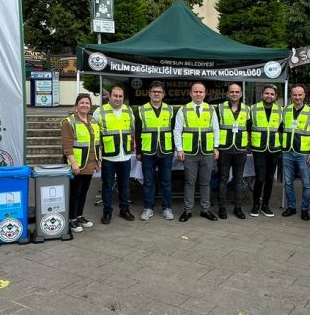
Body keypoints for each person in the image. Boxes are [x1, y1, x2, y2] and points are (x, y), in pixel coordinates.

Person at [173, 81, 220, 222]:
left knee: (205, 182)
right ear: (190, 93)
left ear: (205, 94)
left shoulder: (211, 109)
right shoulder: (183, 110)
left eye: (201, 92)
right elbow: (177, 130)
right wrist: (179, 149)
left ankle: (205, 210)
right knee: (189, 182)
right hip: (189, 153)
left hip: (207, 152)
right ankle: (188, 210)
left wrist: (216, 147)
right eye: (195, 91)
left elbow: (216, 129)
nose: (198, 94)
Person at [93, 86, 135, 224]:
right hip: (108, 156)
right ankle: (107, 212)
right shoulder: (100, 111)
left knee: (124, 185)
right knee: (108, 185)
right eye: (115, 96)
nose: (118, 98)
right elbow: (94, 136)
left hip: (125, 155)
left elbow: (132, 131)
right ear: (109, 97)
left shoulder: (128, 110)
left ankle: (125, 209)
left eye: (120, 96)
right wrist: (97, 157)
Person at [135, 81, 175, 221]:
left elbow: (174, 131)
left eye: (159, 92)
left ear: (163, 94)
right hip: (147, 151)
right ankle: (148, 208)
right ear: (149, 94)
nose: (156, 94)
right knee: (148, 182)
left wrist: (174, 149)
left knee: (166, 182)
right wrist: (138, 152)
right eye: (154, 92)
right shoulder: (141, 110)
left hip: (166, 151)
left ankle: (167, 208)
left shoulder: (170, 110)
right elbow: (138, 132)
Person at [62, 93, 100, 233]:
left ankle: (79, 215)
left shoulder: (93, 121)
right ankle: (71, 218)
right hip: (77, 164)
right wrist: (73, 163)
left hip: (89, 163)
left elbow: (97, 143)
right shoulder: (69, 121)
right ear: (76, 105)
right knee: (74, 192)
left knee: (84, 192)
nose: (85, 105)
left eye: (87, 103)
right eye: (82, 103)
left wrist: (98, 161)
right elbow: (67, 146)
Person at [281, 84, 310, 221]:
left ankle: (305, 209)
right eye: (295, 95)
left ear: (304, 95)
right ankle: (291, 206)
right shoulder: (285, 110)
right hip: (288, 152)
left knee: (306, 183)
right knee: (288, 182)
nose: (297, 97)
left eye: (300, 95)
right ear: (291, 96)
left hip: (303, 153)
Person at [215, 82, 251, 219]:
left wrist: (248, 147)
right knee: (223, 179)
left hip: (240, 150)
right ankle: (222, 208)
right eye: (232, 92)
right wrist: (216, 147)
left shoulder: (247, 109)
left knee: (238, 179)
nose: (234, 94)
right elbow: (216, 128)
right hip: (224, 149)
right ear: (227, 94)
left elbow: (249, 129)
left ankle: (238, 207)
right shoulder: (220, 107)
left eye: (237, 92)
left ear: (241, 94)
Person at [249, 84, 283, 218]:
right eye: (267, 93)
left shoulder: (280, 110)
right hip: (259, 149)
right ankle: (255, 204)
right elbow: (247, 128)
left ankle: (265, 205)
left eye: (272, 94)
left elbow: (283, 129)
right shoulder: (253, 109)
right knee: (260, 178)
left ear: (275, 97)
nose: (269, 96)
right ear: (262, 95)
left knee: (270, 178)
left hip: (274, 149)